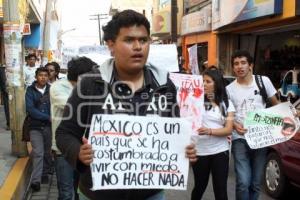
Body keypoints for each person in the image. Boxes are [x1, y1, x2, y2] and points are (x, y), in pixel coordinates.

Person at [56, 9, 197, 200]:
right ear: (111, 45)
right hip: (97, 194)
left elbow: (174, 132)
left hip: (150, 194)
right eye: (129, 40)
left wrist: (184, 149)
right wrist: (78, 153)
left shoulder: (165, 85)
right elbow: (64, 133)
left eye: (144, 40)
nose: (138, 47)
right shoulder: (90, 84)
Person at [226, 50, 279, 200]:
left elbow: (276, 105)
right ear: (233, 67)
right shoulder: (229, 90)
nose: (239, 66)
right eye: (236, 64)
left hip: (260, 138)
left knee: (255, 183)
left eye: (243, 63)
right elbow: (226, 116)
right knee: (243, 182)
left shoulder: (263, 81)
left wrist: (290, 115)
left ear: (251, 65)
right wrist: (235, 126)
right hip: (239, 139)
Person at [50, 57, 97, 200]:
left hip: (83, 149)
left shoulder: (88, 88)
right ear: (81, 77)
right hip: (63, 149)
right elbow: (75, 106)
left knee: (80, 189)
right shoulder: (57, 88)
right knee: (66, 192)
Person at [191, 68, 235, 200]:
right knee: (199, 186)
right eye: (202, 81)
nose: (204, 84)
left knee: (220, 189)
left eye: (208, 81)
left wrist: (209, 131)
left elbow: (228, 129)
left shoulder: (227, 104)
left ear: (216, 83)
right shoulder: (195, 101)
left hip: (220, 152)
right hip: (200, 152)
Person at [25, 67, 52, 192]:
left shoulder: (52, 90)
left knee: (47, 151)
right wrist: (47, 117)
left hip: (49, 127)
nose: (43, 77)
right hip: (35, 126)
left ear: (48, 77)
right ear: (36, 77)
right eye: (40, 75)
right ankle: (36, 181)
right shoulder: (30, 91)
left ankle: (45, 172)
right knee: (38, 153)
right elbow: (30, 109)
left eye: (45, 75)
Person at [0, 65, 10, 130]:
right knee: (7, 108)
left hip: (16, 91)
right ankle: (9, 124)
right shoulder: (1, 70)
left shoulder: (16, 67)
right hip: (5, 92)